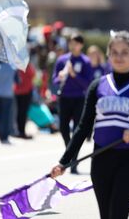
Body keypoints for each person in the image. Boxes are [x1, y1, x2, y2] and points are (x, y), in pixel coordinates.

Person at [50, 31, 129, 219]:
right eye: (114, 52)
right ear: (108, 55)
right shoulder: (97, 86)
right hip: (101, 160)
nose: (119, 57)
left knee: (118, 215)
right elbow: (83, 128)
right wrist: (64, 162)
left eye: (124, 52)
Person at [52, 33, 92, 173]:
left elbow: (88, 83)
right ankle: (71, 150)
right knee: (63, 128)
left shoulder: (85, 61)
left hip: (79, 98)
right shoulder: (62, 60)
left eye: (76, 43)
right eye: (71, 43)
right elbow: (54, 80)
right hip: (64, 97)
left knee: (76, 129)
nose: (73, 46)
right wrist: (60, 77)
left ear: (81, 45)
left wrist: (75, 75)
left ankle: (73, 160)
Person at [0, 61, 18, 144]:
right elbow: (18, 81)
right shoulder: (13, 68)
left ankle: (0, 134)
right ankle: (5, 135)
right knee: (6, 116)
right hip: (8, 94)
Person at [14, 61, 36, 139]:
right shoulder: (26, 66)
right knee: (23, 113)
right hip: (25, 91)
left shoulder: (16, 66)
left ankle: (20, 131)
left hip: (18, 91)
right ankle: (21, 132)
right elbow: (33, 74)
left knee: (20, 112)